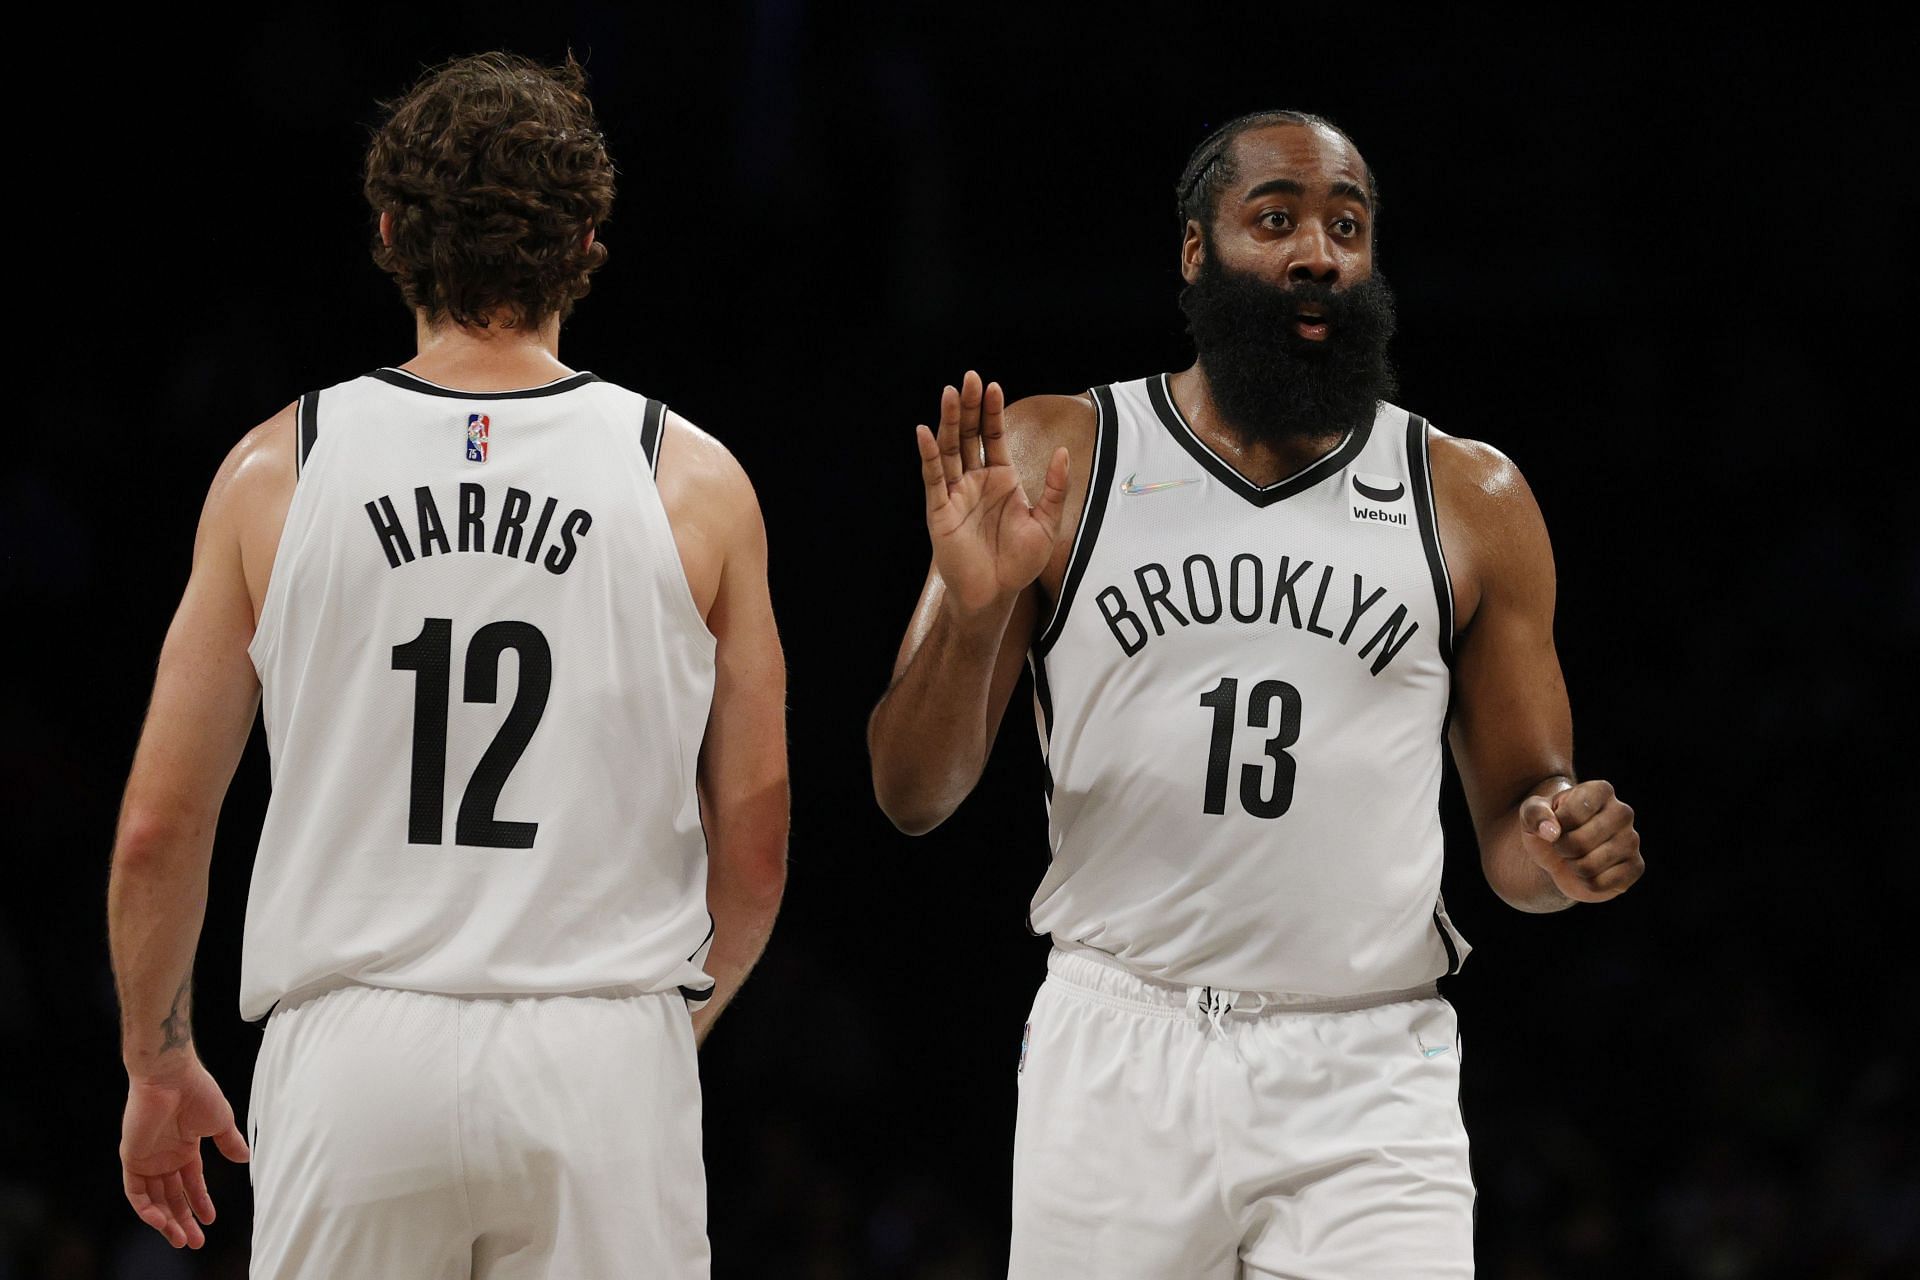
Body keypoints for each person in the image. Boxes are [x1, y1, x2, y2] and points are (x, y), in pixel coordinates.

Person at [868, 109, 1644, 1277]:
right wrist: (977, 616)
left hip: (1370, 1064)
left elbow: (1518, 837)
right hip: (1120, 1046)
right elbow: (911, 794)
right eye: (1275, 219)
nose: (1317, 253)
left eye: (1347, 224)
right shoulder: (1056, 454)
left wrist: (1564, 845)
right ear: (1197, 251)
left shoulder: (1472, 495)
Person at [107, 52, 787, 1276]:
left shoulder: (277, 469)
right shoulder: (694, 480)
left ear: (387, 231)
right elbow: (756, 834)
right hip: (598, 1041)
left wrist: (158, 1056)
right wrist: (654, 1032)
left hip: (357, 1053)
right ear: (587, 237)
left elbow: (161, 823)